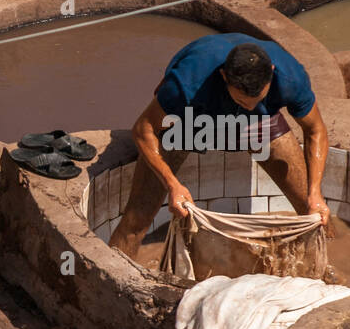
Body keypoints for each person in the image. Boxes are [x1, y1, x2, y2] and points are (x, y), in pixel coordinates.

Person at [108, 34, 332, 258]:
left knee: (313, 212)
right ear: (224, 76)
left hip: (257, 123)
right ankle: (115, 275)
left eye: (258, 98)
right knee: (138, 217)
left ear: (272, 71)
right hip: (189, 120)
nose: (250, 104)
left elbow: (315, 130)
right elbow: (143, 130)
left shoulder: (290, 77)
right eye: (243, 101)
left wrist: (315, 193)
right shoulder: (188, 82)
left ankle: (333, 262)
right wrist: (172, 185)